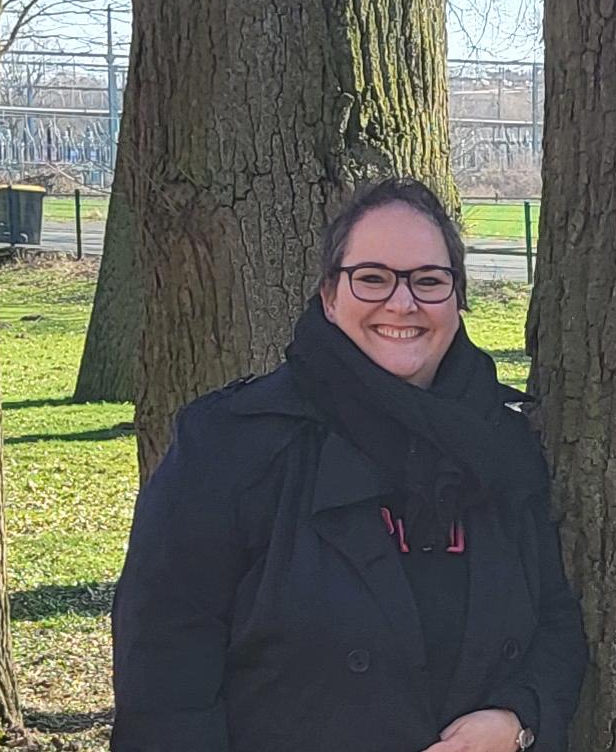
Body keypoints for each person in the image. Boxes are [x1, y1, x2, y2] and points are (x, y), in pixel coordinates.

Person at [112, 179, 588, 752]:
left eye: (429, 281)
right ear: (329, 296)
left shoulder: (503, 445)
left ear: (457, 301)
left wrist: (521, 719)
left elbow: (557, 622)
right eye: (372, 277)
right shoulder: (230, 446)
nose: (402, 302)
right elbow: (164, 678)